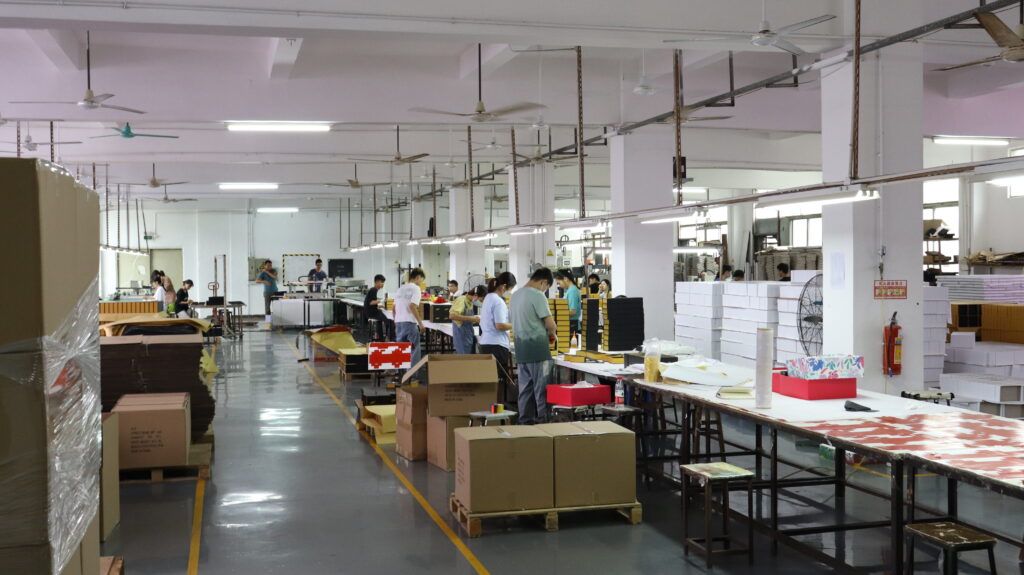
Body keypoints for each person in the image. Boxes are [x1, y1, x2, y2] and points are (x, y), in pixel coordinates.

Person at [509, 268, 558, 425]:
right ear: (543, 282)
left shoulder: (514, 296)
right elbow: (550, 324)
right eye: (546, 287)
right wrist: (552, 333)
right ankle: (544, 425)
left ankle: (525, 424)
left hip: (521, 351)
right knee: (542, 391)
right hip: (538, 352)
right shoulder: (538, 295)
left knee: (525, 391)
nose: (544, 290)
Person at [479, 272, 517, 404]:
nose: (509, 293)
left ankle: (487, 405)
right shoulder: (498, 301)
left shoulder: (488, 298)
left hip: (485, 344)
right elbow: (500, 325)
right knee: (498, 381)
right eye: (510, 290)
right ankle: (497, 409)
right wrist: (516, 324)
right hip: (496, 346)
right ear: (504, 286)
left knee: (488, 380)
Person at [394, 268, 426, 369]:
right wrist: (420, 324)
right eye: (422, 279)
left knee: (401, 350)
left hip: (399, 323)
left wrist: (396, 322)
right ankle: (411, 377)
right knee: (414, 349)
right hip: (409, 322)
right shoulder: (416, 288)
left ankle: (401, 375)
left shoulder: (400, 288)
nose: (421, 282)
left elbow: (393, 309)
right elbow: (412, 306)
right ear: (418, 277)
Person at [449, 285, 486, 354]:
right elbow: (452, 316)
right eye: (481, 299)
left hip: (468, 333)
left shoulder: (470, 302)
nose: (480, 302)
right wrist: (472, 319)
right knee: (464, 360)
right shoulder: (462, 300)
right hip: (461, 335)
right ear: (475, 295)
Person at [555, 270, 582, 341]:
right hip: (568, 323)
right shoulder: (569, 290)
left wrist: (557, 313)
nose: (559, 285)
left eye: (559, 282)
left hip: (571, 325)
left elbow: (573, 311)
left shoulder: (572, 291)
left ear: (565, 279)